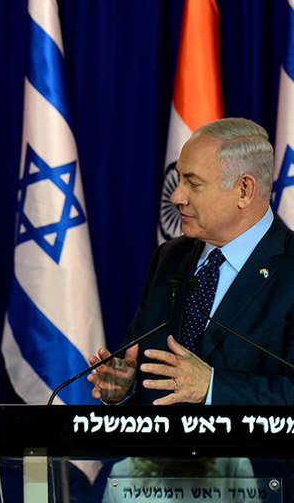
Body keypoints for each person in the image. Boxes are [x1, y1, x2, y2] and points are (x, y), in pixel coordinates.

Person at [88, 118, 294, 405]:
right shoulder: (169, 258)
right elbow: (139, 361)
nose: (176, 196)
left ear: (244, 190)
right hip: (160, 450)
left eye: (192, 183)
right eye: (179, 179)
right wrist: (124, 386)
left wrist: (212, 386)